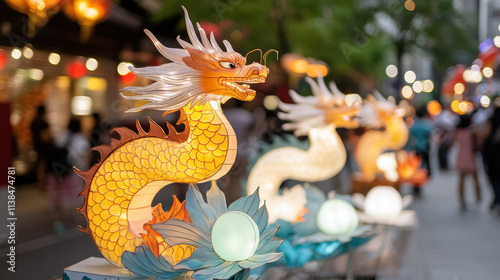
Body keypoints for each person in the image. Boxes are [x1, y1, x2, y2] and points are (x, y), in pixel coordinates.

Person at [46, 118, 90, 232]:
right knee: (73, 195)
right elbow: (84, 155)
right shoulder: (80, 138)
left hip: (57, 170)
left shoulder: (62, 135)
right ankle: (70, 219)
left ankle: (58, 219)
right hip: (72, 172)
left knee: (56, 194)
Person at [452, 114, 481, 210]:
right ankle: (478, 197)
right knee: (475, 178)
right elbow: (479, 141)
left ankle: (462, 199)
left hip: (461, 156)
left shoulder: (458, 132)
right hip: (471, 156)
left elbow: (451, 142)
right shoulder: (471, 132)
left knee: (461, 180)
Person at [481, 102, 500, 213]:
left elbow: (485, 135)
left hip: (493, 154)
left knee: (494, 177)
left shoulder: (491, 119)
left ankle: (497, 199)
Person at [30, 105, 51, 191]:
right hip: (43, 147)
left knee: (39, 164)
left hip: (36, 145)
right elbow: (45, 137)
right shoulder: (43, 122)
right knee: (43, 165)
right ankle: (43, 184)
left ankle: (40, 184)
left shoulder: (33, 121)